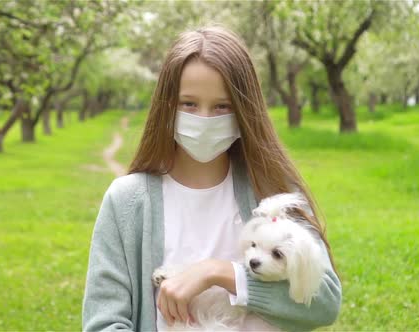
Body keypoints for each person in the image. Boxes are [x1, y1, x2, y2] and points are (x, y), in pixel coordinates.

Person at [82, 25, 341, 331]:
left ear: (245, 111)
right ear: (166, 105)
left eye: (222, 106)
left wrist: (218, 273)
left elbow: (324, 304)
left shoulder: (272, 191)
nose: (204, 120)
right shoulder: (126, 200)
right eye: (188, 104)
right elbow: (104, 322)